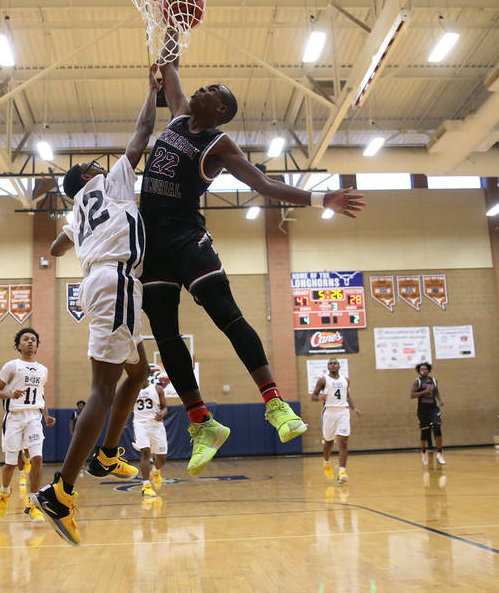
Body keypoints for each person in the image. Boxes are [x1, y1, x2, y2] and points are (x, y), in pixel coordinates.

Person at [139, 40, 366, 475]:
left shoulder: (220, 144)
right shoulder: (182, 112)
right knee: (164, 336)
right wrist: (173, 25)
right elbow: (169, 67)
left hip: (188, 239)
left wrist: (322, 198)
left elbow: (264, 185)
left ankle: (275, 403)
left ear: (221, 110)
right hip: (154, 246)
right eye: (203, 86)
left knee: (228, 316)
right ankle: (201, 422)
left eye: (214, 90)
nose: (202, 89)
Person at [32, 72, 160, 544]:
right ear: (88, 177)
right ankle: (60, 492)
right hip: (115, 281)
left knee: (139, 374)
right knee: (101, 390)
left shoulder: (77, 210)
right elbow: (142, 133)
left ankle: (106, 455)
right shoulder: (112, 182)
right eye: (91, 164)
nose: (97, 164)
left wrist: (67, 238)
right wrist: (153, 92)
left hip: (103, 283)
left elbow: (56, 247)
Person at [0, 328, 57, 522]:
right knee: (10, 464)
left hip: (33, 417)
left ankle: (33, 503)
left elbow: (40, 396)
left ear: (37, 346)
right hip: (13, 417)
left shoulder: (42, 370)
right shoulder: (11, 366)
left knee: (37, 459)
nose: (30, 342)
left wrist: (46, 415)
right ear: (19, 345)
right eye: (26, 339)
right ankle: (4, 492)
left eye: (33, 340)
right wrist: (10, 394)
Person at [311, 359, 362, 483]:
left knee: (343, 442)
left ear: (339, 366)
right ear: (328, 367)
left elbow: (347, 397)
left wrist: (354, 408)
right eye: (330, 363)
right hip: (329, 412)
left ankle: (342, 471)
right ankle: (327, 462)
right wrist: (319, 398)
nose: (333, 364)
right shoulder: (323, 380)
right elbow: (313, 396)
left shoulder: (346, 380)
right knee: (328, 442)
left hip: (343, 412)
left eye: (335, 363)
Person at [131, 375, 168, 497]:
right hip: (140, 424)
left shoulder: (157, 389)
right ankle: (146, 485)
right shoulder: (132, 390)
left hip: (156, 425)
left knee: (162, 458)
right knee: (145, 452)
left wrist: (162, 414)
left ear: (146, 375)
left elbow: (165, 407)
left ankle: (156, 471)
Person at [411, 362, 445, 465]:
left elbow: (436, 391)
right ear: (419, 371)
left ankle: (440, 452)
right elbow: (412, 395)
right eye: (421, 369)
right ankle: (424, 451)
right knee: (425, 432)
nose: (423, 370)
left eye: (425, 369)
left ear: (428, 370)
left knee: (437, 428)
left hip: (433, 408)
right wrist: (425, 392)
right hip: (423, 409)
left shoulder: (434, 381)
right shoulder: (418, 382)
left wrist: (439, 400)